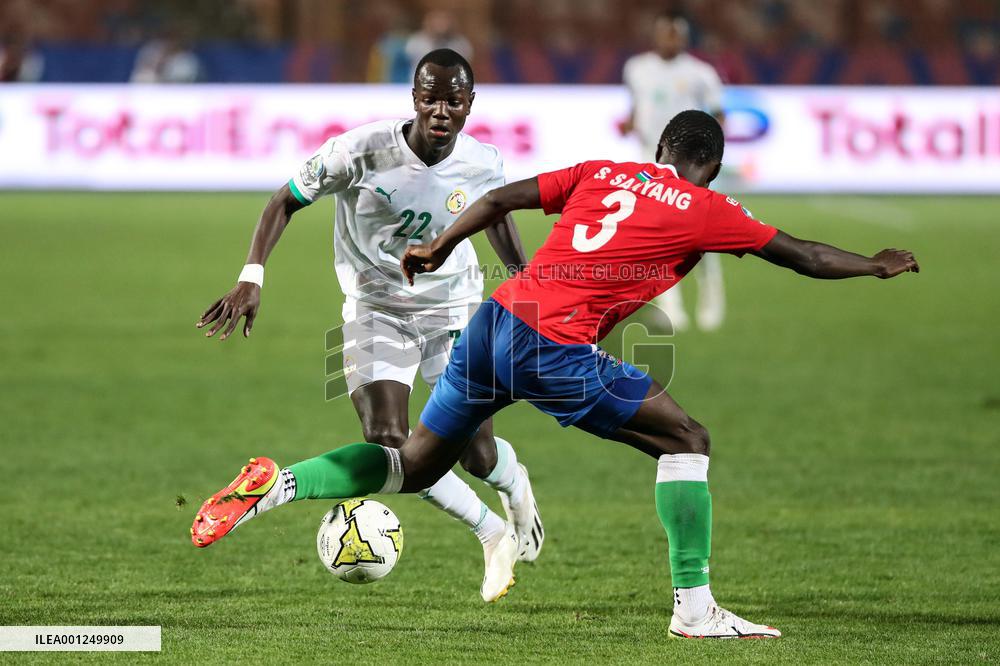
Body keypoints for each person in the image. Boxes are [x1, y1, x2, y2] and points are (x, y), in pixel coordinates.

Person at [191, 110, 918, 636]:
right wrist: (876, 266)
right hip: (551, 347)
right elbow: (804, 256)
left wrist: (442, 246)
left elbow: (502, 198)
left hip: (493, 322)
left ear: (660, 147)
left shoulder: (607, 171)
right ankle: (695, 611)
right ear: (710, 166)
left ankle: (275, 488)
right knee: (686, 440)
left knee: (410, 466)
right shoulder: (707, 208)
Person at [192, 49, 543, 603]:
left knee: (477, 454)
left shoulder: (483, 162)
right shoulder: (359, 151)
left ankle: (515, 488)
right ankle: (489, 530)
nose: (440, 111)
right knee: (389, 438)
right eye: (430, 98)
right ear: (414, 98)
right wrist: (251, 276)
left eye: (453, 100)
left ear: (470, 104)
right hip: (374, 307)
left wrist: (528, 287)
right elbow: (284, 200)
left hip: (453, 309)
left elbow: (496, 215)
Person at [621, 14, 727, 331]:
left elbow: (719, 115)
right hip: (651, 159)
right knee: (657, 234)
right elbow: (636, 107)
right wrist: (630, 122)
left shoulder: (701, 73)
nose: (670, 39)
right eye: (664, 33)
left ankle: (711, 300)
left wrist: (710, 154)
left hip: (691, 163)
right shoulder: (636, 68)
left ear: (684, 37)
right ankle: (672, 308)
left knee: (704, 234)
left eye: (675, 34)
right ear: (655, 36)